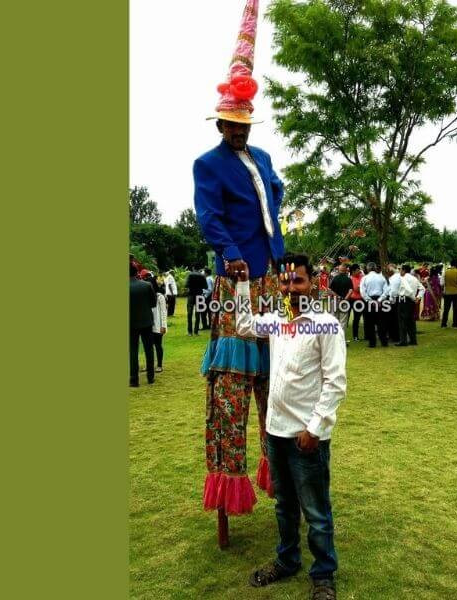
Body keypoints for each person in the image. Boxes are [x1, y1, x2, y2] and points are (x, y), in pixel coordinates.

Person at [193, 0, 285, 516]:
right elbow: (210, 219)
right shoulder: (207, 165)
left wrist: (279, 246)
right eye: (231, 123)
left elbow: (274, 195)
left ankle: (282, 470)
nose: (239, 130)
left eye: (244, 123)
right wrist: (230, 256)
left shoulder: (265, 157)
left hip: (271, 273)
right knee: (234, 376)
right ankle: (230, 478)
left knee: (279, 370)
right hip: (238, 280)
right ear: (220, 123)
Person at [235, 254, 345, 600]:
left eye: (297, 280)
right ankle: (287, 560)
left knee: (315, 510)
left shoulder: (325, 324)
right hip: (276, 432)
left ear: (312, 283)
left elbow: (335, 382)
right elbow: (243, 326)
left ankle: (323, 575)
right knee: (284, 504)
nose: (290, 287)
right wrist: (240, 283)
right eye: (284, 282)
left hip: (306, 437)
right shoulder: (278, 320)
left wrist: (314, 429)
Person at [129, 263, 156, 387]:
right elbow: (153, 303)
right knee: (149, 349)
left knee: (133, 351)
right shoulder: (147, 285)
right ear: (137, 273)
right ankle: (150, 377)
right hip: (146, 321)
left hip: (131, 323)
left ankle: (134, 379)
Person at [391, 264, 425, 346]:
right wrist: (418, 297)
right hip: (411, 302)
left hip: (403, 301)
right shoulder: (414, 279)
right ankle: (413, 340)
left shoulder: (401, 279)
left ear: (404, 270)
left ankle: (403, 341)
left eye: (400, 270)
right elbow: (422, 288)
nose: (399, 272)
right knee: (411, 321)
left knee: (402, 321)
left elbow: (394, 291)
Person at [360, 262, 389, 347]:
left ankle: (372, 343)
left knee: (369, 323)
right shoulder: (381, 277)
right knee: (382, 322)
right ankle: (384, 342)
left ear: (368, 269)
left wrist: (370, 301)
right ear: (375, 268)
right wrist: (380, 300)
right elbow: (386, 290)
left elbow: (363, 292)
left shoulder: (364, 278)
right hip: (380, 301)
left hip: (369, 301)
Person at [329, 263, 352, 344]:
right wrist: (345, 298)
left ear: (339, 270)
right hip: (344, 302)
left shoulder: (335, 278)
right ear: (346, 270)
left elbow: (330, 290)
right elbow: (350, 291)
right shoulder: (348, 279)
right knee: (343, 321)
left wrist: (337, 296)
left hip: (335, 301)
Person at [147, 275, 167, 372]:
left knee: (158, 345)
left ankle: (159, 365)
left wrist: (163, 326)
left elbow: (163, 312)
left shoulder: (160, 297)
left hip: (158, 325)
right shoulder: (146, 295)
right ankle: (149, 365)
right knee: (148, 346)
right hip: (147, 325)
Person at [441, 258, 457, 328]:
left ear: (451, 264)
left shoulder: (445, 272)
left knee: (446, 309)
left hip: (447, 292)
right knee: (456, 309)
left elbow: (442, 283)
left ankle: (444, 324)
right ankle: (455, 324)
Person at [185, 266, 208, 336]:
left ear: (193, 268)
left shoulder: (190, 275)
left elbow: (186, 285)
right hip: (199, 295)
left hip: (191, 295)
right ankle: (196, 331)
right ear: (199, 269)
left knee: (189, 313)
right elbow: (206, 287)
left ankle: (189, 332)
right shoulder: (202, 276)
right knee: (197, 314)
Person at [386, 264, 402, 342]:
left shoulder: (395, 277)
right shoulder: (396, 276)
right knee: (393, 319)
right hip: (395, 300)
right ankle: (394, 336)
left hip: (394, 300)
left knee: (393, 320)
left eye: (388, 270)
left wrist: (391, 300)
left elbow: (393, 291)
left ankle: (395, 337)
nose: (387, 272)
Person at [349, 264, 364, 341]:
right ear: (353, 271)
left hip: (361, 299)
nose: (359, 271)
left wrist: (361, 287)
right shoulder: (351, 278)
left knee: (358, 318)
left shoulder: (362, 276)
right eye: (358, 270)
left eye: (359, 270)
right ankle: (355, 336)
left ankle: (360, 335)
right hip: (353, 300)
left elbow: (363, 287)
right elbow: (356, 289)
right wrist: (361, 287)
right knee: (355, 318)